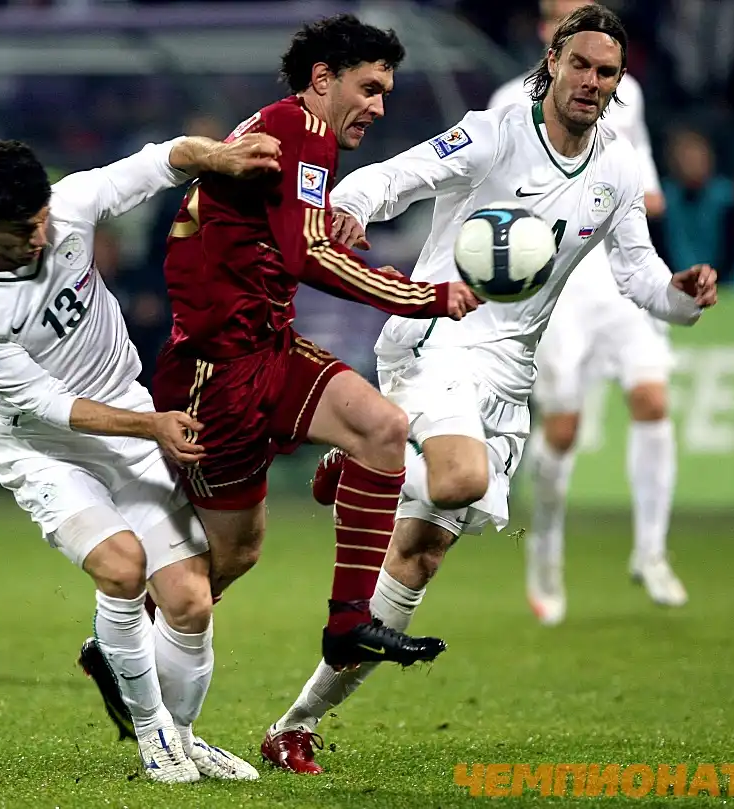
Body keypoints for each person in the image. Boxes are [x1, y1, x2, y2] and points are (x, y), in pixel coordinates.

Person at [263, 3, 718, 773]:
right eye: (580, 64)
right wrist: (348, 207)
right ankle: (379, 456)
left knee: (420, 556)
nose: (592, 81)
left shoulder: (615, 168)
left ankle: (295, 724)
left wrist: (683, 297)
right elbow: (399, 174)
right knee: (460, 477)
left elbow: (640, 276)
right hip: (440, 337)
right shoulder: (495, 132)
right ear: (553, 63)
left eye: (607, 72)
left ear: (619, 82)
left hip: (510, 378)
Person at [0, 132, 282, 784]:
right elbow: (46, 403)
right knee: (122, 567)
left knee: (191, 602)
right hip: (45, 450)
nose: (40, 237)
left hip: (129, 426)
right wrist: (151, 425)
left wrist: (218, 157)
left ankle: (183, 736)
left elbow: (158, 162)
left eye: (42, 220)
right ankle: (152, 734)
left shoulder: (70, 205)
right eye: (22, 230)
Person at [151, 12, 479, 674]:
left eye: (385, 92)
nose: (378, 107)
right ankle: (122, 639)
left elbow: (276, 232)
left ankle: (349, 623)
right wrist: (424, 295)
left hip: (268, 347)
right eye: (369, 88)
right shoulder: (302, 128)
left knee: (382, 427)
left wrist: (320, 223)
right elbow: (309, 256)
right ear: (323, 79)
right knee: (235, 552)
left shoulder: (290, 128)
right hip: (218, 374)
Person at [488, 0, 685, 625]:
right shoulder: (508, 103)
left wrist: (640, 190)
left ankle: (651, 551)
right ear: (546, 35)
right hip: (555, 282)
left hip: (617, 272)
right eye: (558, 16)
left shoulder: (626, 95)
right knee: (564, 427)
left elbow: (646, 184)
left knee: (652, 398)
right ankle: (544, 555)